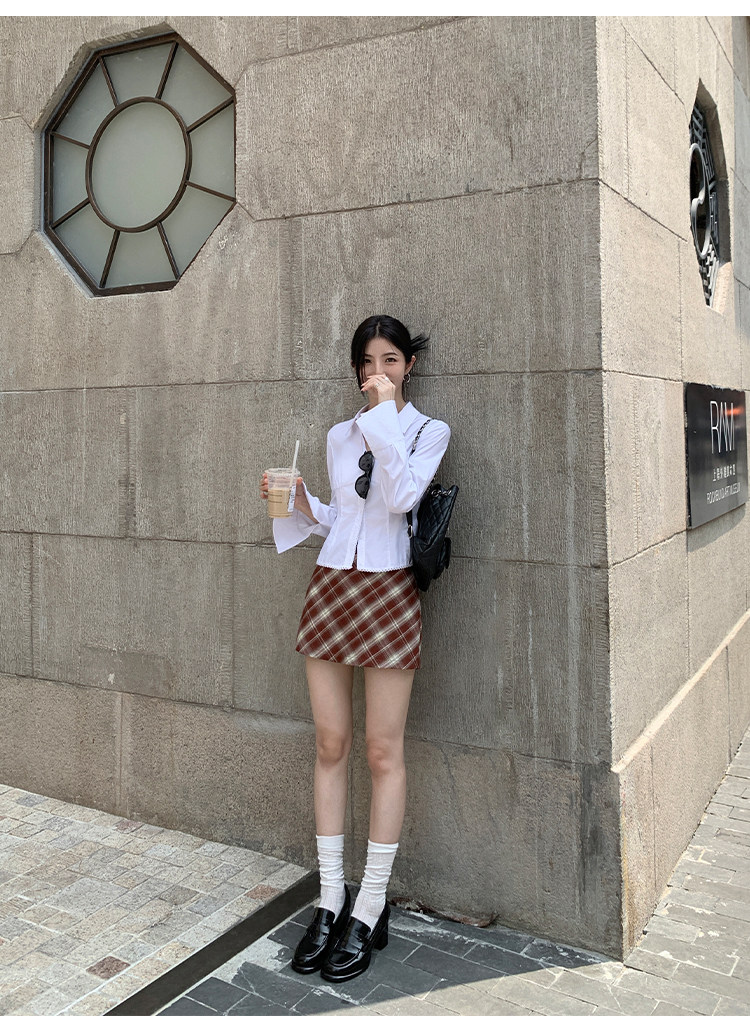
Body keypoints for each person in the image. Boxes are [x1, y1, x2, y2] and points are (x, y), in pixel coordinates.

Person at [260, 314, 451, 983]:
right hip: (332, 586)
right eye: (367, 363)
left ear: (409, 365)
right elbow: (346, 518)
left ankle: (371, 906)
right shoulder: (339, 435)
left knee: (382, 749)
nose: (377, 373)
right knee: (330, 742)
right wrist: (299, 502)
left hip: (391, 590)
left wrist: (385, 418)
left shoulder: (427, 431)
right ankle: (330, 897)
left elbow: (399, 499)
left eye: (390, 360)